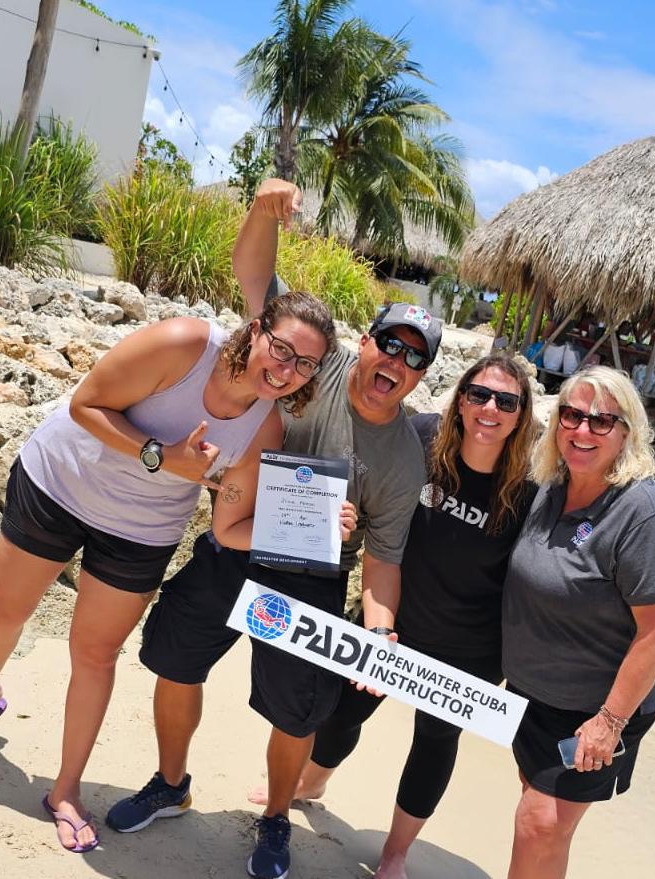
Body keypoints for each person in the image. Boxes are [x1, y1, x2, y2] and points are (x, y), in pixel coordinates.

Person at [107, 178, 441, 879]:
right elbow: (256, 276)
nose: (396, 363)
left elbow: (382, 560)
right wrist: (262, 212)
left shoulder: (404, 458)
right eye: (390, 344)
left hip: (314, 578)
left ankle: (276, 817)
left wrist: (380, 628)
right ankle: (172, 781)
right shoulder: (310, 363)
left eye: (415, 358)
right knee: (174, 656)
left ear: (420, 378)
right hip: (233, 546)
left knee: (298, 711)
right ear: (366, 340)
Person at [0, 278, 336, 853]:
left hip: (140, 531)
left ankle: (65, 791)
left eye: (306, 365)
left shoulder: (264, 427)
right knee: (1, 612)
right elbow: (85, 403)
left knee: (94, 655)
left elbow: (227, 526)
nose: (288, 368)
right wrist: (162, 456)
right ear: (256, 331)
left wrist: (314, 530)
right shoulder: (183, 345)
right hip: (60, 483)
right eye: (283, 348)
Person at [271, 353, 537, 879]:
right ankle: (311, 782)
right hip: (394, 617)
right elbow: (369, 488)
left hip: (471, 648)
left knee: (435, 743)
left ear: (521, 415)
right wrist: (339, 513)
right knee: (343, 709)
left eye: (506, 402)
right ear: (461, 399)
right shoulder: (419, 438)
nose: (490, 409)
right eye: (479, 394)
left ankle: (395, 853)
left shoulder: (528, 489)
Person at [502, 366, 655, 879]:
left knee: (538, 823)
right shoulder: (550, 487)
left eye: (602, 421)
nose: (582, 432)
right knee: (542, 821)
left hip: (597, 709)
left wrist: (609, 723)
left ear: (627, 431)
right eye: (573, 415)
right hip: (535, 695)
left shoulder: (643, 514)